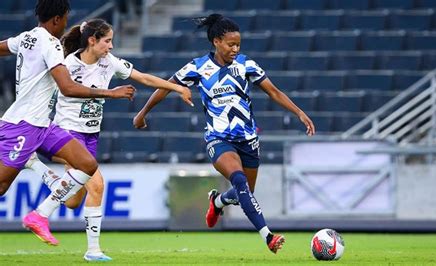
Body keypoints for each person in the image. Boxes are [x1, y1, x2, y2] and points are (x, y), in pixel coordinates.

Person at [133, 13, 315, 254]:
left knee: (244, 193)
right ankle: (268, 236)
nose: (235, 49)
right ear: (217, 41)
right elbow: (165, 88)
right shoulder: (198, 67)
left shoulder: (246, 64)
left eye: (238, 44)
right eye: (231, 44)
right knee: (239, 180)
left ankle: (218, 201)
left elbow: (274, 92)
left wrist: (299, 112)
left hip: (248, 140)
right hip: (218, 139)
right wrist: (142, 113)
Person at [24, 18, 193, 261]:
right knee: (98, 184)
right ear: (92, 41)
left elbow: (143, 77)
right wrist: (111, 94)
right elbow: (64, 90)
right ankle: (83, 244)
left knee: (73, 200)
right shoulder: (68, 64)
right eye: (107, 41)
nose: (111, 46)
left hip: (91, 134)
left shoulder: (108, 62)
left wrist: (177, 88)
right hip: (68, 132)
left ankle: (35, 165)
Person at [0, 0, 135, 248]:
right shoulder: (50, 43)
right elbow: (68, 87)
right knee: (1, 186)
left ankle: (39, 215)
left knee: (87, 164)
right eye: (64, 19)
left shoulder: (27, 37)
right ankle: (34, 170)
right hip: (24, 125)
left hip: (44, 125)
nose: (65, 25)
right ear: (56, 20)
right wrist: (111, 93)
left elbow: (2, 48)